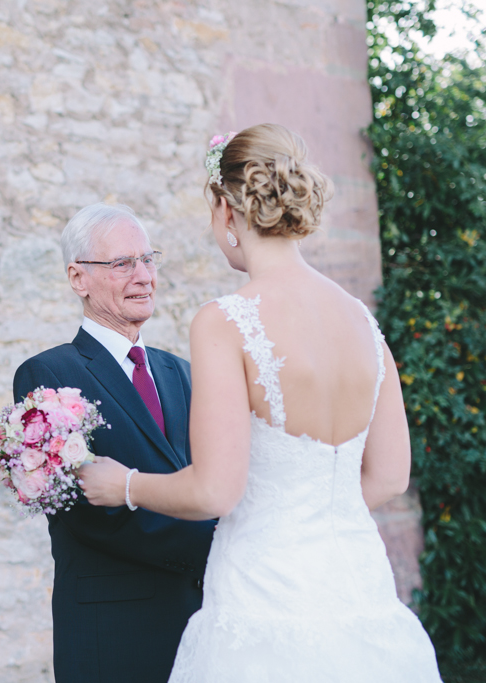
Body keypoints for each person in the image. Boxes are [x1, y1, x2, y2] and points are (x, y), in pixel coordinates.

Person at [78, 124, 443, 682]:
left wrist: (123, 484)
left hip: (262, 595)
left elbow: (214, 490)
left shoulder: (227, 321)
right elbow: (391, 476)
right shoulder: (364, 323)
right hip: (359, 591)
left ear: (228, 212)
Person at [12, 202, 216, 683]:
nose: (144, 276)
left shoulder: (181, 373)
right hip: (114, 629)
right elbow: (88, 511)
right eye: (123, 263)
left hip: (200, 620)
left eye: (149, 260)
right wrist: (222, 547)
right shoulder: (47, 375)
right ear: (77, 277)